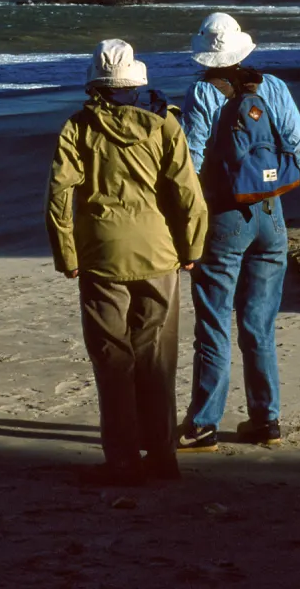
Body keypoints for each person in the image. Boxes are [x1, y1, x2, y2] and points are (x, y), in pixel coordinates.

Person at [46, 39, 208, 484]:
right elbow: (188, 194)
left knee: (111, 361)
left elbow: (60, 197)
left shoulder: (77, 128)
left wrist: (66, 254)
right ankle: (162, 456)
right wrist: (192, 248)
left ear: (96, 86)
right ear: (136, 85)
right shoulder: (164, 126)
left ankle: (122, 461)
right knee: (156, 357)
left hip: (100, 253)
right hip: (159, 251)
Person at [177, 13, 300, 452]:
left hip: (225, 216)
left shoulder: (203, 91)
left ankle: (204, 424)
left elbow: (190, 163)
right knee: (259, 323)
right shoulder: (272, 87)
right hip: (271, 214)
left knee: (214, 322)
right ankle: (265, 420)